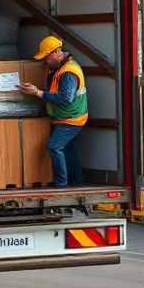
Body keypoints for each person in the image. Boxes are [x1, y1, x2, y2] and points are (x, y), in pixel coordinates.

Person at [17, 35, 88, 187]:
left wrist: (38, 92)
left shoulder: (68, 72)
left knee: (54, 146)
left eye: (47, 57)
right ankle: (77, 181)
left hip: (72, 119)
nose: (45, 61)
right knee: (68, 150)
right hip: (66, 118)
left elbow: (65, 98)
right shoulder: (59, 68)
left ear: (57, 52)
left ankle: (61, 184)